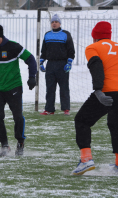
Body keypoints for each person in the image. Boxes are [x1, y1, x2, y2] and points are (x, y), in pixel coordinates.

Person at [0, 23, 37, 157]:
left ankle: (20, 142)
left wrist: (32, 77)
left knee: (18, 117)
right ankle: (4, 145)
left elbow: (31, 59)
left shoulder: (13, 46)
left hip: (14, 87)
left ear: (1, 36)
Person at [72, 21, 118, 175]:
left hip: (107, 92)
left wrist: (98, 90)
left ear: (95, 36)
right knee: (115, 123)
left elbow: (96, 66)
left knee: (82, 121)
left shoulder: (93, 47)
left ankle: (86, 160)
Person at [39, 14, 75, 115]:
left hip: (62, 64)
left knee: (64, 87)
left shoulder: (66, 34)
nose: (54, 23)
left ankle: (65, 108)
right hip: (50, 65)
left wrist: (69, 63)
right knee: (50, 88)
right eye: (52, 22)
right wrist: (41, 62)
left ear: (60, 23)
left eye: (56, 22)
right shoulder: (47, 35)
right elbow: (44, 51)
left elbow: (71, 50)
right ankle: (49, 109)